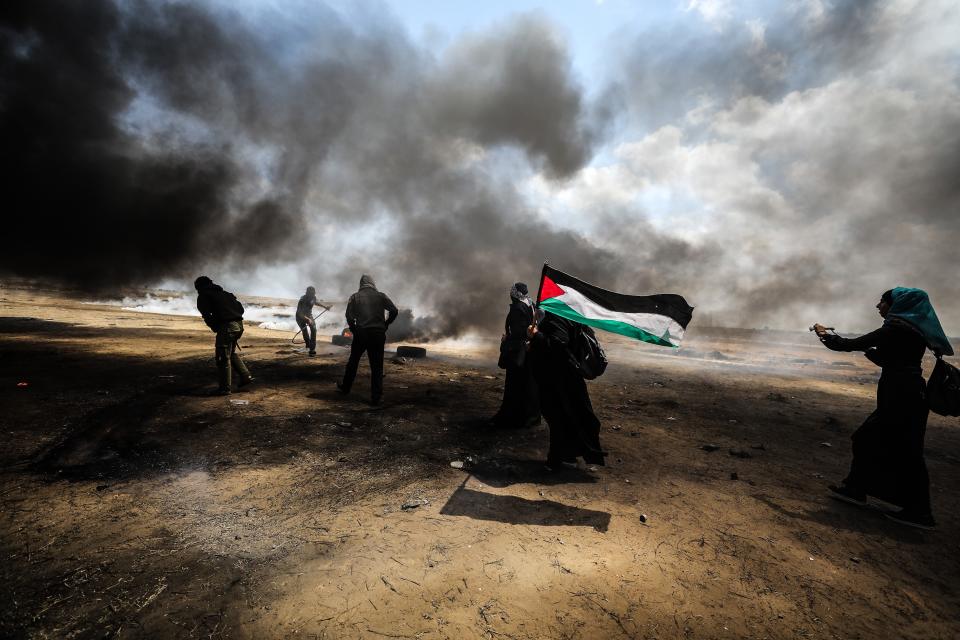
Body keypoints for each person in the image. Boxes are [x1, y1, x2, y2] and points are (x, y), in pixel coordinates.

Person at [814, 287, 953, 530]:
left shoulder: (896, 329)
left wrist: (823, 333)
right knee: (889, 445)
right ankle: (856, 489)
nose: (878, 306)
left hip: (902, 396)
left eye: (883, 301)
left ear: (898, 305)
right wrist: (872, 353)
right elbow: (891, 359)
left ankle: (917, 512)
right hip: (907, 394)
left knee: (885, 445)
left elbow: (846, 345)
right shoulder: (913, 331)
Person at [527, 310, 606, 470]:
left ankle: (554, 461)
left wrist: (536, 336)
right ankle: (568, 455)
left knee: (556, 418)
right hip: (564, 378)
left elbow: (557, 345)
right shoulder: (566, 315)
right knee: (566, 416)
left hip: (557, 379)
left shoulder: (557, 317)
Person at [337, 274, 398, 405]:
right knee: (377, 366)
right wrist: (386, 324)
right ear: (372, 283)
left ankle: (346, 388)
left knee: (353, 362)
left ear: (361, 284)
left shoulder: (354, 297)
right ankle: (376, 398)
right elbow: (394, 310)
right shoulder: (381, 295)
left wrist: (354, 329)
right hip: (377, 334)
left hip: (361, 333)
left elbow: (348, 316)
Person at [491, 282, 540, 428]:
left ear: (514, 294)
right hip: (529, 349)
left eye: (511, 292)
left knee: (515, 384)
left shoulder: (517, 308)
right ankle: (530, 417)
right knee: (528, 384)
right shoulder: (531, 304)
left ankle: (512, 416)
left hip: (518, 351)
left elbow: (520, 331)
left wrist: (508, 337)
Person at [195, 276, 253, 395]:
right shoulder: (225, 293)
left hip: (227, 327)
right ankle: (246, 376)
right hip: (239, 325)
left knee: (222, 358)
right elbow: (241, 309)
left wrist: (215, 326)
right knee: (230, 353)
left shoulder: (204, 295)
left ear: (199, 287)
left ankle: (224, 389)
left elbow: (206, 315)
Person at [296, 286, 319, 356]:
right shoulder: (302, 300)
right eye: (311, 293)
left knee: (314, 329)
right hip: (300, 317)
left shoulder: (313, 297)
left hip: (309, 316)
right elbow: (299, 312)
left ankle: (312, 349)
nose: (313, 295)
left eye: (314, 293)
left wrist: (325, 307)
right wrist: (307, 319)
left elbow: (315, 302)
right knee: (305, 331)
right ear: (307, 293)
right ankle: (308, 346)